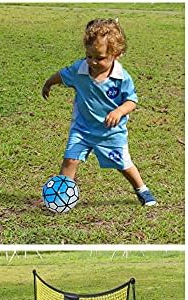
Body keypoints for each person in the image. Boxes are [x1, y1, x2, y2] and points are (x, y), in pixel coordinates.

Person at [42, 18, 157, 206]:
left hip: (110, 132)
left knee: (123, 164)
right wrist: (48, 83)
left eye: (100, 58)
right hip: (82, 129)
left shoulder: (122, 78)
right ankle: (62, 198)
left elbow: (131, 101)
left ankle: (141, 189)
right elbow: (62, 75)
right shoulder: (79, 70)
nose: (93, 62)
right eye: (89, 56)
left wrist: (119, 111)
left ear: (116, 54)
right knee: (70, 160)